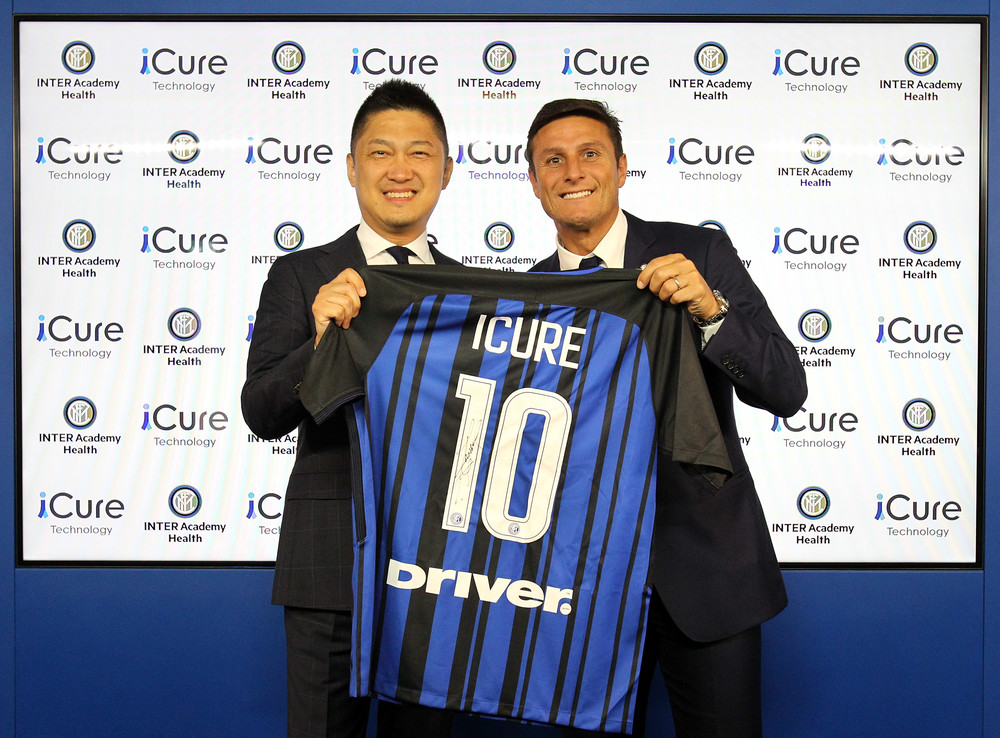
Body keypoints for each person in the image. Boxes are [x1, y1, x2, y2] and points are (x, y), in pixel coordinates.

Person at [525, 98, 808, 737]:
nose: (573, 172)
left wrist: (712, 311)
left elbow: (786, 389)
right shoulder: (527, 296)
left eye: (590, 154)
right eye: (554, 161)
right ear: (535, 182)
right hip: (579, 588)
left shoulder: (698, 253)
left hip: (706, 573)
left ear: (622, 167)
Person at [242, 79, 457, 738]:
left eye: (419, 153)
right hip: (327, 562)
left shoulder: (470, 291)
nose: (400, 170)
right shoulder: (300, 274)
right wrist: (316, 343)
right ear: (351, 167)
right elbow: (260, 412)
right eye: (380, 152)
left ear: (447, 171)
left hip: (439, 567)